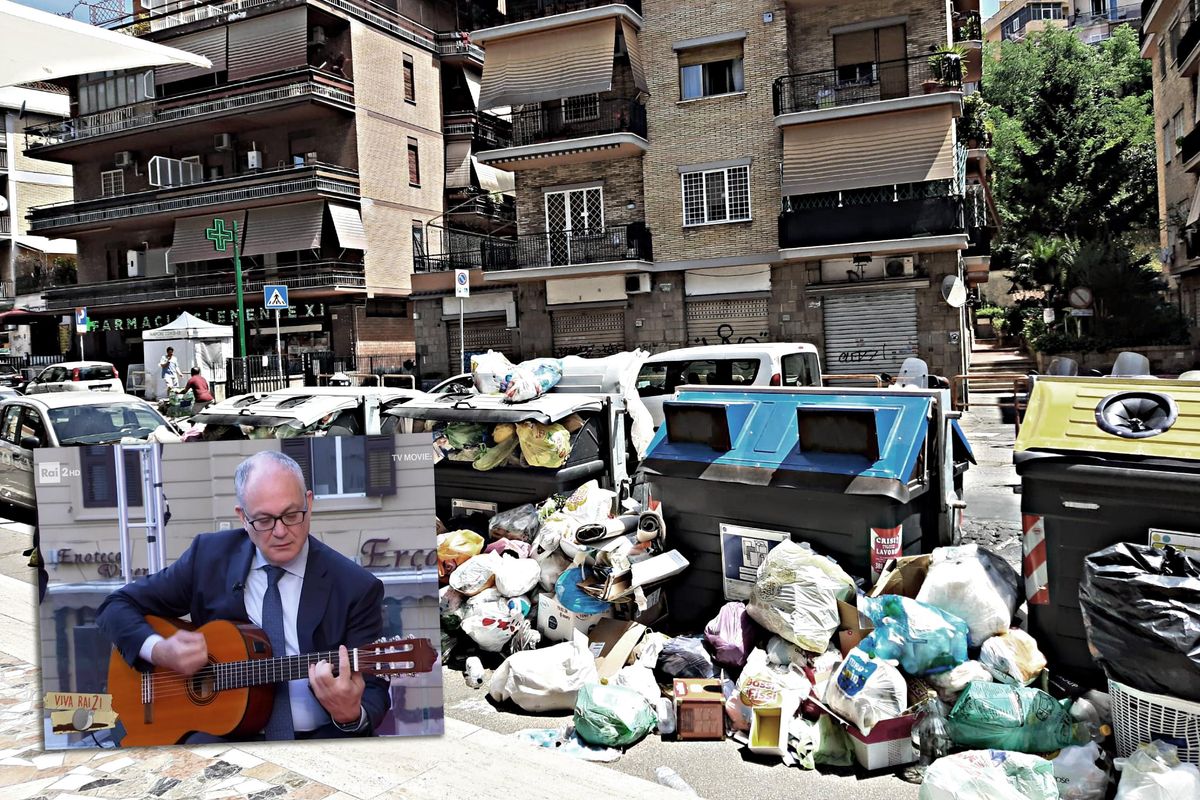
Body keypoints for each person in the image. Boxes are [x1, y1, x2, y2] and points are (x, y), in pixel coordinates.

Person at [97, 451, 391, 743]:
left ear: (309, 504)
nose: (280, 531)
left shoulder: (355, 586)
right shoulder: (209, 557)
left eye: (291, 515)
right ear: (243, 517)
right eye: (263, 520)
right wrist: (158, 650)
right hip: (217, 739)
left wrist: (351, 715)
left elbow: (375, 689)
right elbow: (116, 606)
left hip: (317, 739)